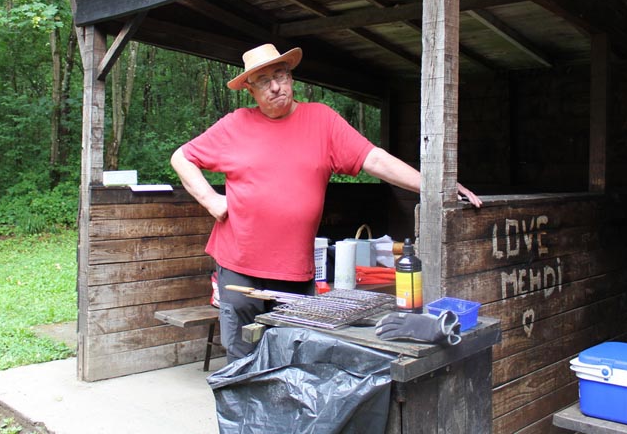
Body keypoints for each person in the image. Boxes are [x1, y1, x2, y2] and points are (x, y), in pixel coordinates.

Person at [170, 43, 481, 361]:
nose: (276, 86)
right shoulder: (235, 125)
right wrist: (210, 199)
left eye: (280, 74)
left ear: (290, 77)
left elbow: (375, 159)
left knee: (293, 360)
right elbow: (182, 157)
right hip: (239, 266)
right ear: (250, 89)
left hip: (295, 271)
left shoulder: (322, 121)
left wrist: (436, 186)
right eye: (264, 80)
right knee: (242, 356)